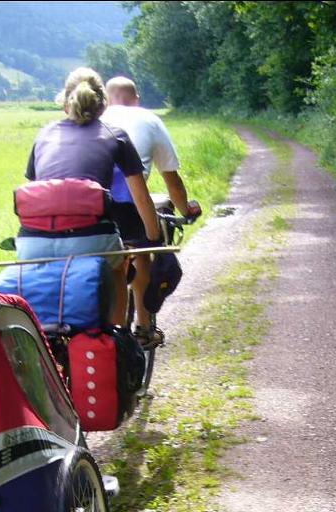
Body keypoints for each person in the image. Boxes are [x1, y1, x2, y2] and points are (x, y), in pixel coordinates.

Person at [18, 67, 163, 326]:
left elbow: (34, 194)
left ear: (65, 102)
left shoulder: (44, 135)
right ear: (102, 104)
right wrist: (154, 240)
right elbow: (140, 198)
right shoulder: (115, 135)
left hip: (32, 242)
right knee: (119, 265)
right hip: (92, 237)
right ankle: (118, 339)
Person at [102, 76, 202, 348]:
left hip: (86, 203)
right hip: (128, 202)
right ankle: (143, 328)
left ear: (107, 100)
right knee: (144, 250)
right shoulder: (149, 119)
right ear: (137, 99)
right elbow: (172, 180)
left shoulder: (95, 117)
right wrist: (186, 209)